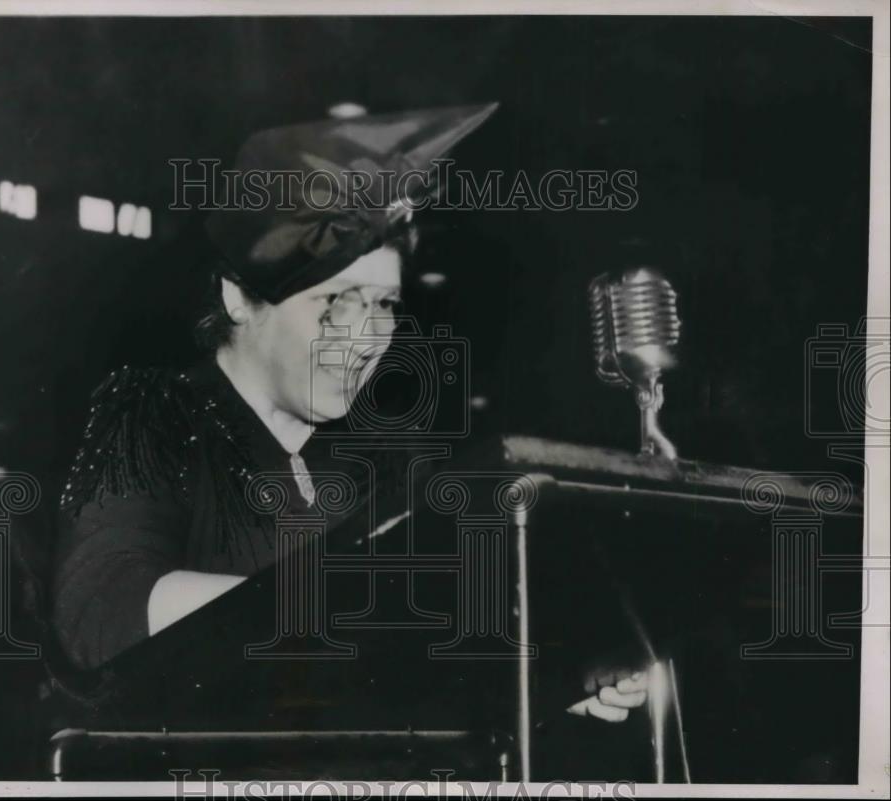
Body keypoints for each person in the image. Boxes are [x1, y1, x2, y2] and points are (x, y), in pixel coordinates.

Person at [51, 103, 647, 724]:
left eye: (383, 304)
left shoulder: (390, 452)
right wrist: (365, 635)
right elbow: (103, 611)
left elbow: (470, 626)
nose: (362, 338)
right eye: (332, 301)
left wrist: (572, 666)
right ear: (237, 297)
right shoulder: (151, 415)